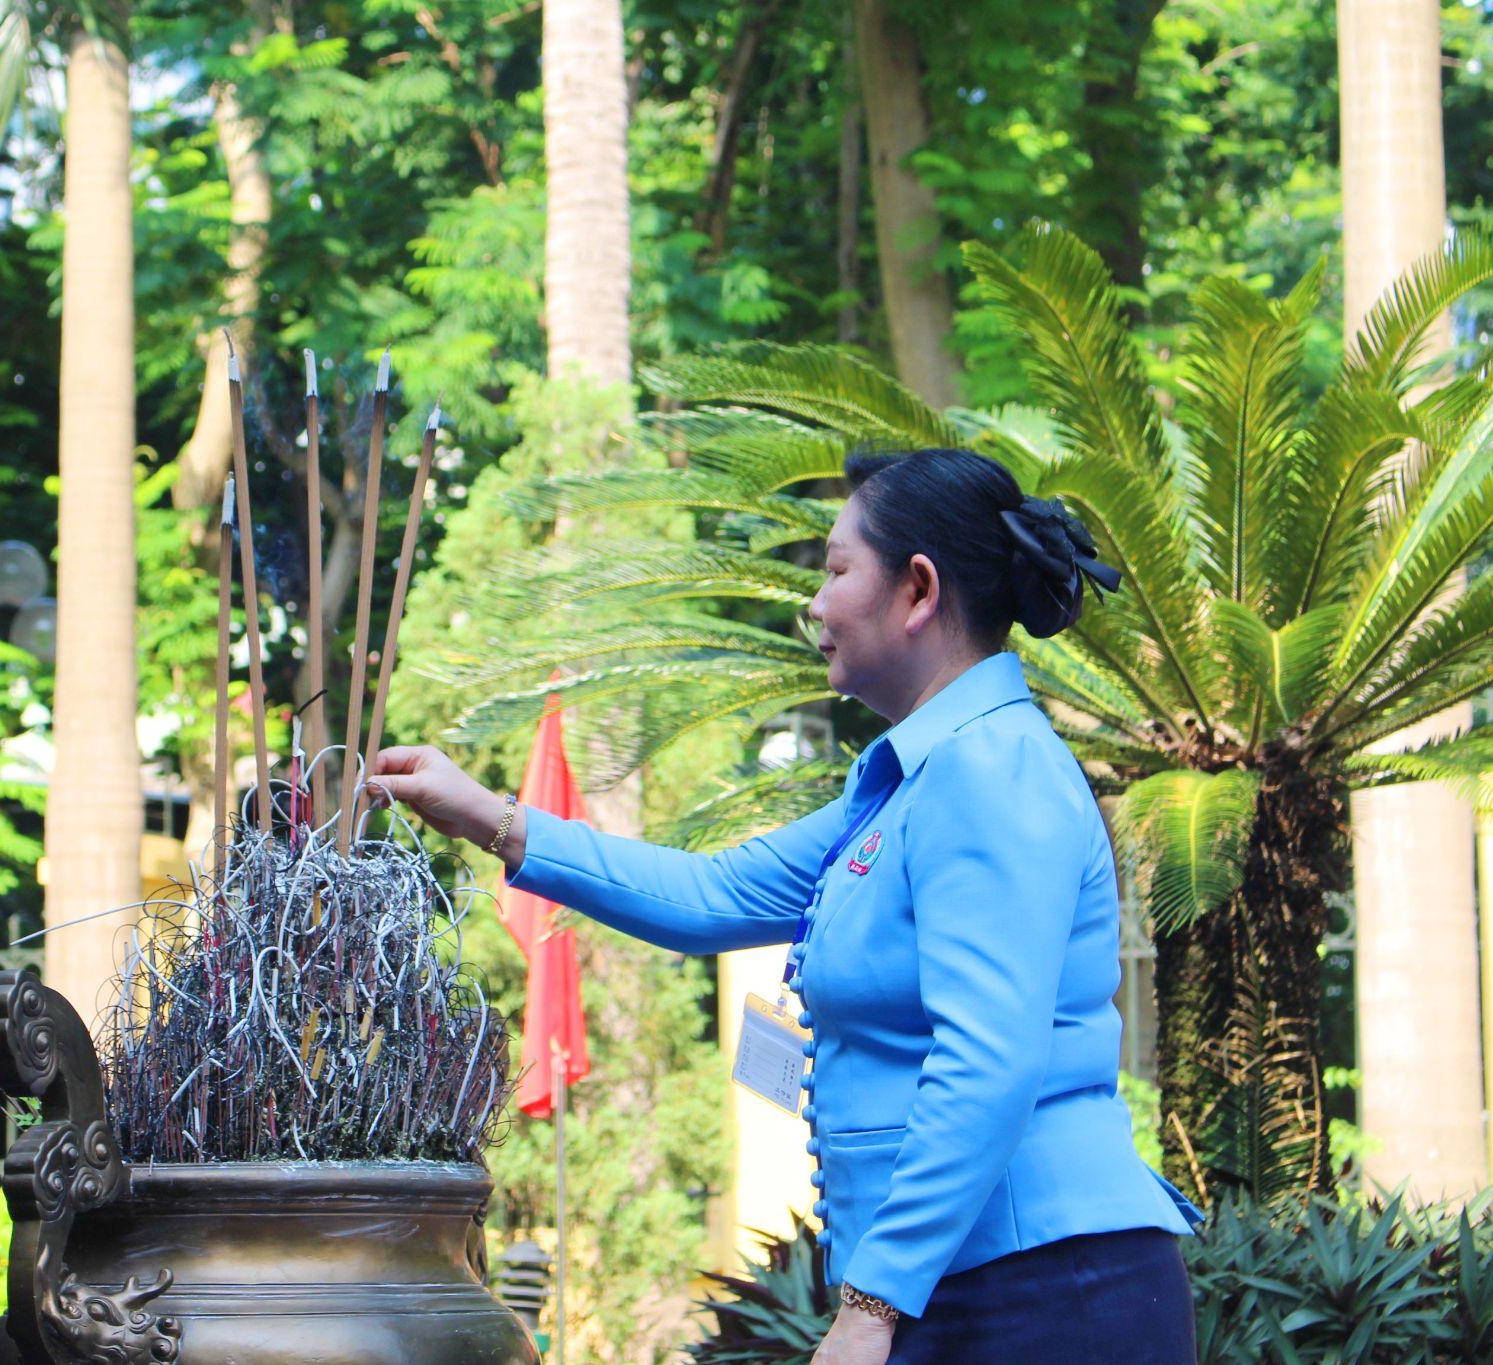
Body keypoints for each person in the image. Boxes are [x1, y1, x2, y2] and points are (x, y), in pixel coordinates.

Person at [368, 447, 1203, 1364]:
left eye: (837, 570)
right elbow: (712, 892)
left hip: (1042, 1291)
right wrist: (486, 814)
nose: (815, 602)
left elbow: (989, 1059)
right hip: (969, 1288)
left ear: (918, 590)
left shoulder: (989, 767)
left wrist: (871, 1306)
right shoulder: (907, 786)